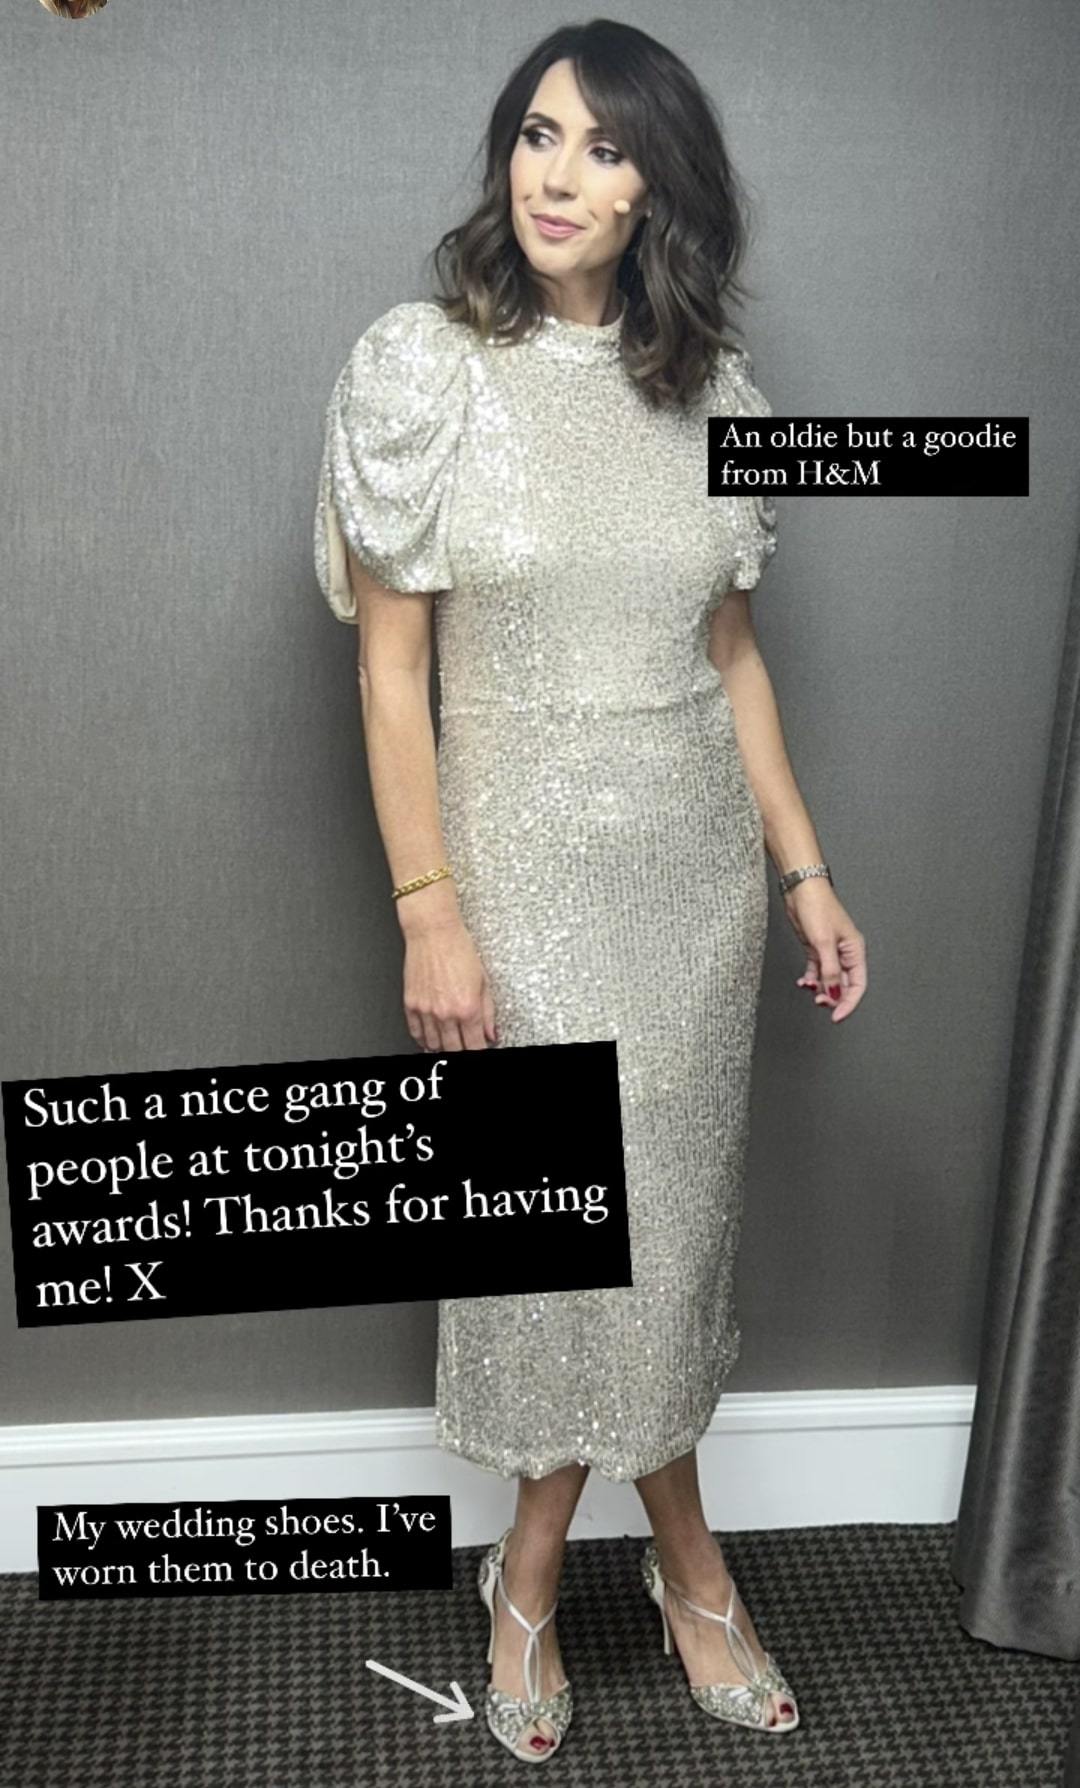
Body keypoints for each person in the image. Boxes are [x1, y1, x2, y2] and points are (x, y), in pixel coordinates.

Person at [314, 17, 867, 1764]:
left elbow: (733, 658)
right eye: (539, 134)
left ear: (656, 192)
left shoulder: (719, 396)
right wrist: (429, 907)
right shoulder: (424, 368)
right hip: (517, 884)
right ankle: (629, 1571)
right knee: (562, 1242)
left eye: (605, 148)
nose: (559, 174)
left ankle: (586, 1570)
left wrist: (805, 873)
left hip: (692, 886)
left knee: (668, 1238)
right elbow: (391, 674)